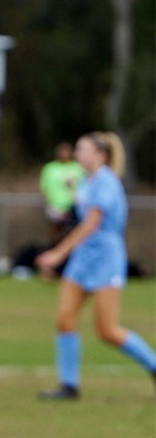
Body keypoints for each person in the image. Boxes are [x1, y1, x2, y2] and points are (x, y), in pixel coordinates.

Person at [35, 132, 156, 400]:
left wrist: (57, 254)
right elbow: (71, 212)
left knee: (107, 330)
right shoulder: (86, 182)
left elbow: (91, 224)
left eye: (82, 149)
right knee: (65, 320)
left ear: (101, 155)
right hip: (83, 257)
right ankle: (69, 385)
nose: (77, 154)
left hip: (105, 258)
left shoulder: (106, 182)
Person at [40, 142, 84, 246]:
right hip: (55, 208)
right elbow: (44, 187)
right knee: (55, 236)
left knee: (71, 236)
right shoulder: (50, 168)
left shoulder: (77, 167)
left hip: (74, 209)